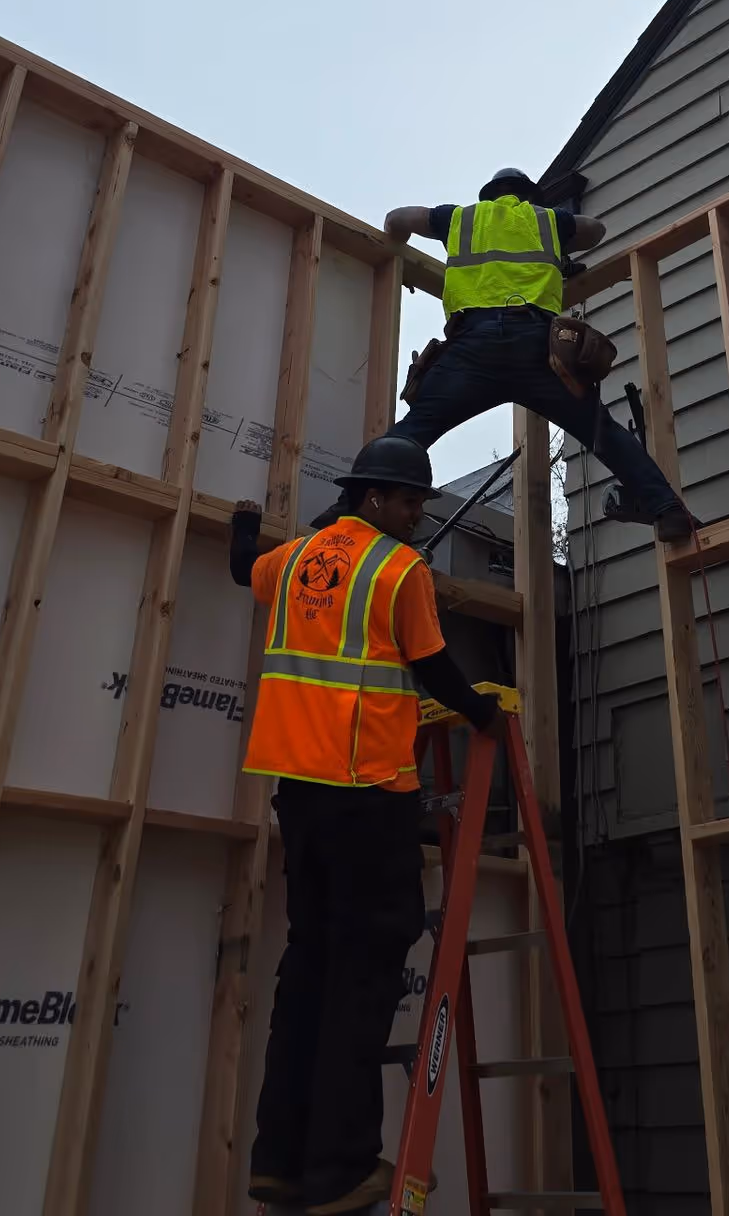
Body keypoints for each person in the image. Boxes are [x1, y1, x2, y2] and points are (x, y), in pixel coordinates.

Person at [230, 435, 497, 1215]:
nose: (417, 514)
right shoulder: (397, 569)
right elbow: (433, 667)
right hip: (369, 790)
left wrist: (244, 527)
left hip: (299, 795)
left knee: (309, 968)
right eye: (409, 500)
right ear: (372, 497)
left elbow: (245, 568)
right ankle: (341, 1168)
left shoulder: (295, 559)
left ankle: (279, 1162)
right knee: (365, 970)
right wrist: (483, 714)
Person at [383, 168, 694, 542]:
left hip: (473, 348)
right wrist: (559, 250)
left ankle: (352, 507)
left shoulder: (460, 218)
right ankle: (668, 511)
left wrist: (396, 248)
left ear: (489, 196)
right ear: (529, 196)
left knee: (412, 433)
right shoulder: (547, 221)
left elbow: (397, 219)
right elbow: (595, 229)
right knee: (602, 431)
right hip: (537, 347)